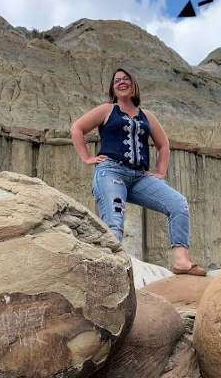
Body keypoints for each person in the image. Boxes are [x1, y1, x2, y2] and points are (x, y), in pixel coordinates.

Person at [70, 67, 207, 275]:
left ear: (134, 85)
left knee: (177, 203)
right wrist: (87, 158)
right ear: (113, 88)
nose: (122, 82)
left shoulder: (147, 116)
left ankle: (181, 262)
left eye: (126, 79)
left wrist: (160, 172)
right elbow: (76, 128)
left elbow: (164, 145)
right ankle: (111, 272)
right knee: (114, 222)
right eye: (117, 80)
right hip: (111, 172)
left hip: (139, 177)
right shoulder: (107, 109)